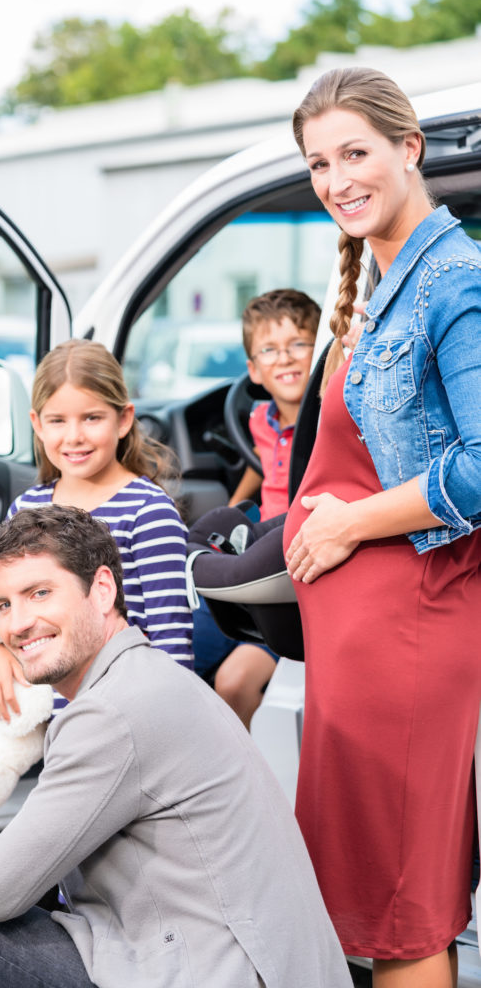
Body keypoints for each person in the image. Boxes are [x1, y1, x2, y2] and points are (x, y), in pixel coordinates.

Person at [0, 505, 353, 988]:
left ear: (103, 589)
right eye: (5, 605)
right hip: (244, 961)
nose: (19, 624)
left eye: (40, 593)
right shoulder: (149, 678)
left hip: (226, 972)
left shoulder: (112, 712)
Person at [283, 66, 481, 987]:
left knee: (402, 913)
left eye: (354, 153)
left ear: (409, 150)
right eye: (318, 163)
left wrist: (348, 524)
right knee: (369, 907)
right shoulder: (384, 281)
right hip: (358, 647)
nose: (335, 179)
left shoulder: (454, 282)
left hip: (408, 636)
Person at [0, 339, 193, 719]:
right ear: (37, 425)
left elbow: (170, 639)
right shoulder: (25, 508)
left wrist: (168, 722)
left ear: (124, 420)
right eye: (58, 420)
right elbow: (3, 605)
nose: (74, 436)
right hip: (54, 720)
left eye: (91, 418)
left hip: (126, 715)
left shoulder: (148, 510)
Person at [194, 289, 320, 726]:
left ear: (322, 351)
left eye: (299, 344)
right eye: (270, 350)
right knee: (177, 656)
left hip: (286, 574)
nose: (284, 359)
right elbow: (265, 468)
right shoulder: (259, 420)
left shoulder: (330, 417)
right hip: (250, 561)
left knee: (233, 683)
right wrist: (228, 514)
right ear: (254, 370)